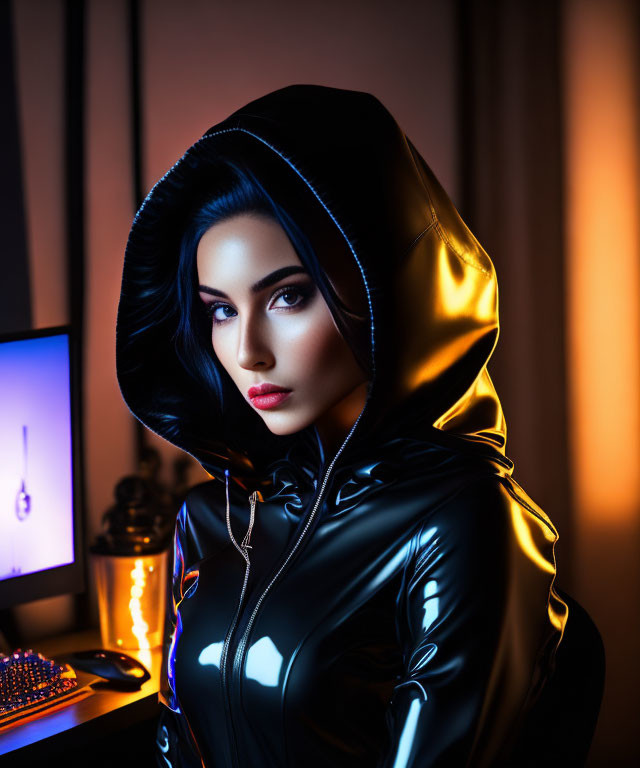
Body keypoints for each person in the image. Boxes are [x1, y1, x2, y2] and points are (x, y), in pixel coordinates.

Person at [115, 84, 568, 767]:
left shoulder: (462, 523)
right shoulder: (212, 518)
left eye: (288, 296)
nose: (248, 353)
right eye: (220, 309)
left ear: (383, 290)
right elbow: (177, 743)